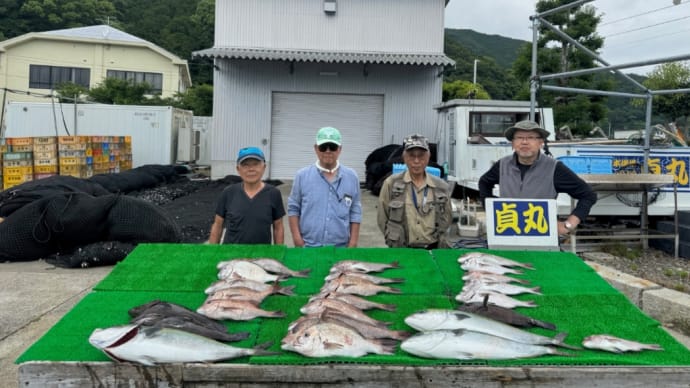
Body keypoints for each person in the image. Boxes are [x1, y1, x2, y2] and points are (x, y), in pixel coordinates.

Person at [478, 120, 597, 235]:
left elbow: (588, 195)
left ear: (541, 142)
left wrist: (569, 224)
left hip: (543, 234)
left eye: (531, 137)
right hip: (507, 231)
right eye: (519, 137)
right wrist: (491, 210)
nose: (524, 142)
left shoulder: (554, 168)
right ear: (513, 143)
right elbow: (484, 182)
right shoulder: (502, 165)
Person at [287, 126, 362, 247]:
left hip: (341, 247)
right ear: (316, 148)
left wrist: (353, 243)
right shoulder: (302, 176)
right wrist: (297, 239)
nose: (328, 151)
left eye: (332, 147)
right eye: (323, 147)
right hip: (308, 246)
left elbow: (355, 211)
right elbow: (293, 208)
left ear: (339, 149)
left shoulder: (351, 177)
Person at [377, 134, 452, 249]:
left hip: (433, 249)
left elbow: (447, 218)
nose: (416, 161)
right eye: (411, 156)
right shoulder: (391, 183)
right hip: (403, 249)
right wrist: (393, 238)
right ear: (404, 157)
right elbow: (382, 218)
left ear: (428, 157)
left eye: (421, 156)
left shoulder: (441, 186)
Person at [208, 147, 285, 244]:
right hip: (231, 254)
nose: (251, 169)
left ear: (264, 167)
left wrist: (278, 252)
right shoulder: (228, 193)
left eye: (256, 164)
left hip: (261, 255)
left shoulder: (273, 193)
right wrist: (211, 252)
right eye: (245, 165)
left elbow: (278, 227)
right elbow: (217, 225)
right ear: (238, 169)